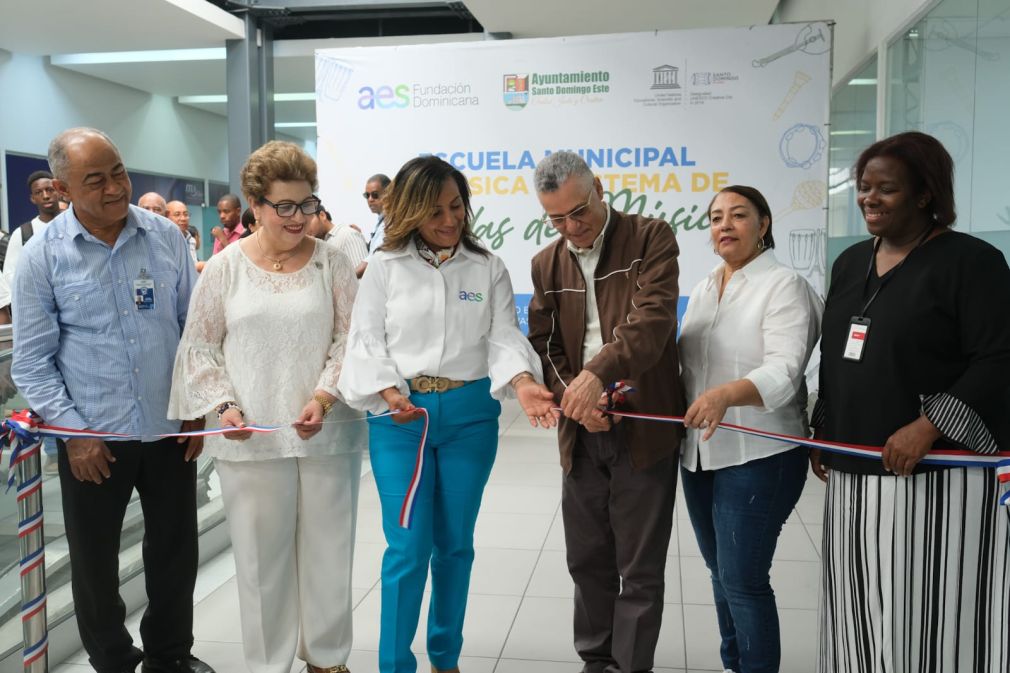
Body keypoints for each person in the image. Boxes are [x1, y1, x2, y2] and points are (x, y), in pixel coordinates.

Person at [337, 155, 556, 673]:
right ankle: (395, 664)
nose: (450, 220)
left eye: (456, 206)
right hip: (400, 420)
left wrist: (524, 383)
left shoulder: (487, 266)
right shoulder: (384, 269)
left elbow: (502, 335)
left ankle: (445, 657)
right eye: (435, 211)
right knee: (408, 548)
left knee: (455, 546)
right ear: (410, 212)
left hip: (470, 418)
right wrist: (390, 394)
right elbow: (366, 339)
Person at [11, 127, 211, 673]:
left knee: (174, 551)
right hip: (92, 440)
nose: (113, 188)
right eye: (94, 180)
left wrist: (195, 402)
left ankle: (170, 656)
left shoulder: (166, 238)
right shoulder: (41, 258)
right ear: (63, 188)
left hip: (170, 428)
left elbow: (191, 328)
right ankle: (115, 660)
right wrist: (75, 435)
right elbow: (30, 360)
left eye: (118, 172)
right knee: (95, 563)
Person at [810, 131, 1010, 672]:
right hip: (854, 472)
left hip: (934, 479)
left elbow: (998, 357)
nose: (868, 198)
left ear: (925, 195)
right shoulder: (851, 262)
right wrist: (823, 429)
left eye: (886, 189)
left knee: (926, 613)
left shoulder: (972, 262)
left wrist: (928, 426)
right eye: (863, 186)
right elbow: (836, 351)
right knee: (857, 607)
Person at [169, 140, 364, 673]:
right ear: (255, 205)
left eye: (307, 204)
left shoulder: (332, 264)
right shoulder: (225, 268)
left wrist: (324, 396)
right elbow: (200, 347)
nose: (299, 217)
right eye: (285, 206)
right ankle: (268, 665)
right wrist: (223, 405)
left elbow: (352, 339)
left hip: (327, 434)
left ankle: (327, 660)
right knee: (260, 564)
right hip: (249, 438)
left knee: (328, 554)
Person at [527, 151, 683, 673]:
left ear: (600, 188)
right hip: (583, 429)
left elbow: (652, 322)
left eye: (579, 212)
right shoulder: (547, 262)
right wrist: (578, 395)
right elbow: (544, 344)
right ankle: (596, 661)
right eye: (556, 219)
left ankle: (630, 666)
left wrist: (599, 373)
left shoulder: (650, 238)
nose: (571, 228)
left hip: (644, 425)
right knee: (588, 560)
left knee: (638, 566)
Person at [678, 186, 823, 673]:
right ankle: (734, 664)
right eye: (716, 217)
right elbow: (689, 369)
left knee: (742, 578)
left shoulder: (784, 285)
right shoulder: (703, 288)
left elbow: (785, 371)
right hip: (701, 456)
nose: (725, 225)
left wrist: (725, 395)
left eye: (738, 215)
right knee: (721, 574)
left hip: (762, 453)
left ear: (763, 224)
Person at [3, 170, 61, 291]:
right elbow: (10, 275)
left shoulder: (77, 224)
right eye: (39, 192)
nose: (45, 196)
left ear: (59, 191)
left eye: (50, 190)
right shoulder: (23, 233)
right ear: (33, 198)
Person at [310, 206, 368, 273]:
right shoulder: (318, 245)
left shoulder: (347, 235)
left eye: (309, 220)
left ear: (322, 215)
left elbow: (363, 275)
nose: (306, 226)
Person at [355, 173, 391, 277]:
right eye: (367, 195)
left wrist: (347, 278)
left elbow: (373, 260)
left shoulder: (390, 223)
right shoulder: (382, 220)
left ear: (388, 194)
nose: (370, 199)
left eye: (375, 195)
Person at [166, 200, 198, 264]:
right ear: (166, 217)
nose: (183, 218)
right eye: (177, 215)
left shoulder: (191, 240)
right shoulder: (163, 240)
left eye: (186, 214)